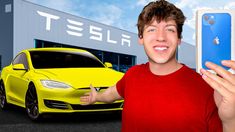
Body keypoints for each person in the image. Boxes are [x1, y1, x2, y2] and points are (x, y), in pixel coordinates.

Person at [80, 0, 235, 131]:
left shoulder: (208, 87)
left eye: (169, 30)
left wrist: (230, 121)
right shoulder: (132, 75)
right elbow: (111, 94)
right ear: (141, 38)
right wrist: (96, 97)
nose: (160, 37)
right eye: (152, 29)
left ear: (179, 38)